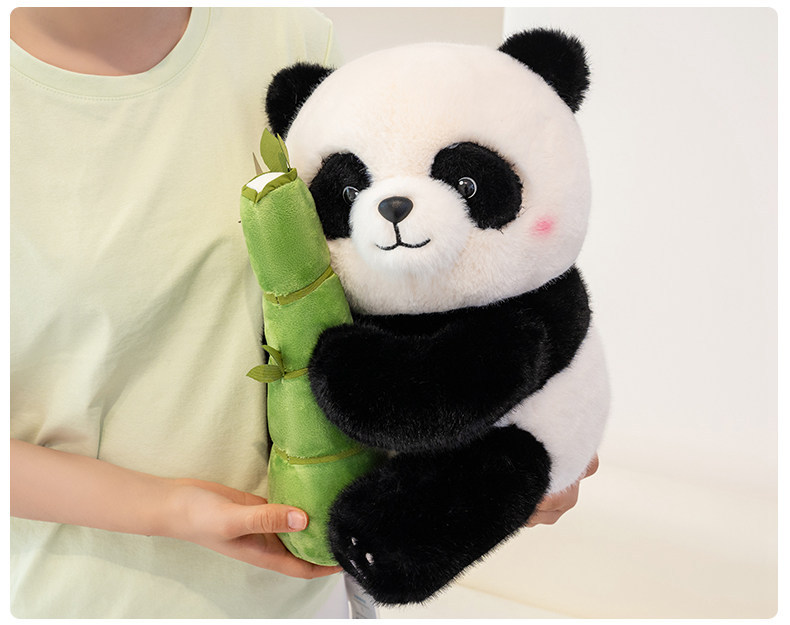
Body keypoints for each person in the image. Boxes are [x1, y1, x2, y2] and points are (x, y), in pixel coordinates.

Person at [9, 7, 597, 618]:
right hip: (89, 596)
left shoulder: (286, 35)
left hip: (311, 586)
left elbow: (382, 274)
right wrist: (171, 509)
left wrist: (529, 419)